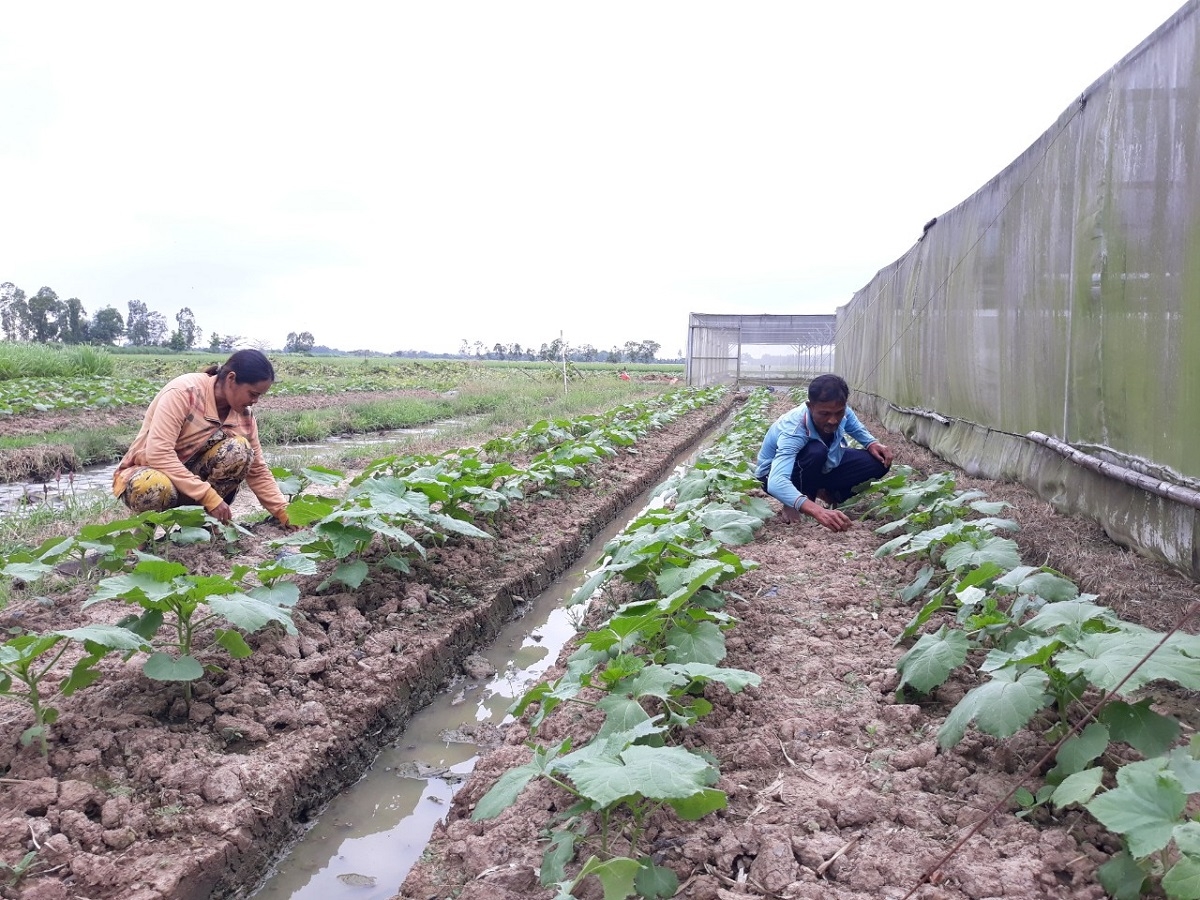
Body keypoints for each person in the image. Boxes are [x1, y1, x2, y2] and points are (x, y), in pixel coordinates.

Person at [112, 349, 290, 526]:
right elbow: (158, 453)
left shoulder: (244, 416)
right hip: (150, 475)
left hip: (192, 485)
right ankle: (144, 532)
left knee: (240, 449)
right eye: (253, 393)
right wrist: (208, 496)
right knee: (151, 485)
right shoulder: (184, 392)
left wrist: (284, 512)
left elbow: (257, 469)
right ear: (231, 379)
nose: (255, 401)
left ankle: (201, 526)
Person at [755, 373, 894, 532]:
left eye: (839, 413)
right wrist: (818, 511)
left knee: (879, 461)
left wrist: (872, 443)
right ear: (810, 406)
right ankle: (795, 501)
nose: (833, 420)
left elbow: (854, 425)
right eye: (825, 414)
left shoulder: (841, 411)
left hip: (822, 464)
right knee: (816, 451)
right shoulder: (794, 429)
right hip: (772, 474)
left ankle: (826, 491)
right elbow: (776, 481)